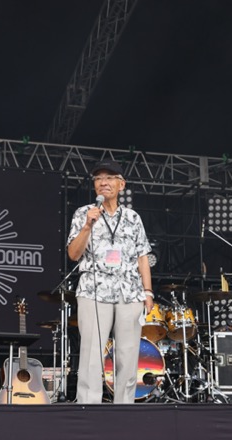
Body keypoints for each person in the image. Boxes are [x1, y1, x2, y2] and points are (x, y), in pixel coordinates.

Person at [67, 160, 153, 403]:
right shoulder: (83, 213)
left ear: (121, 184)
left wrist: (148, 291)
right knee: (91, 353)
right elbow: (73, 254)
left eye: (109, 177)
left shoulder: (133, 217)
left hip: (130, 292)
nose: (103, 182)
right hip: (93, 291)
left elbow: (142, 257)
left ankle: (124, 407)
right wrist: (87, 226)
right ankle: (88, 406)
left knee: (128, 353)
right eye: (98, 178)